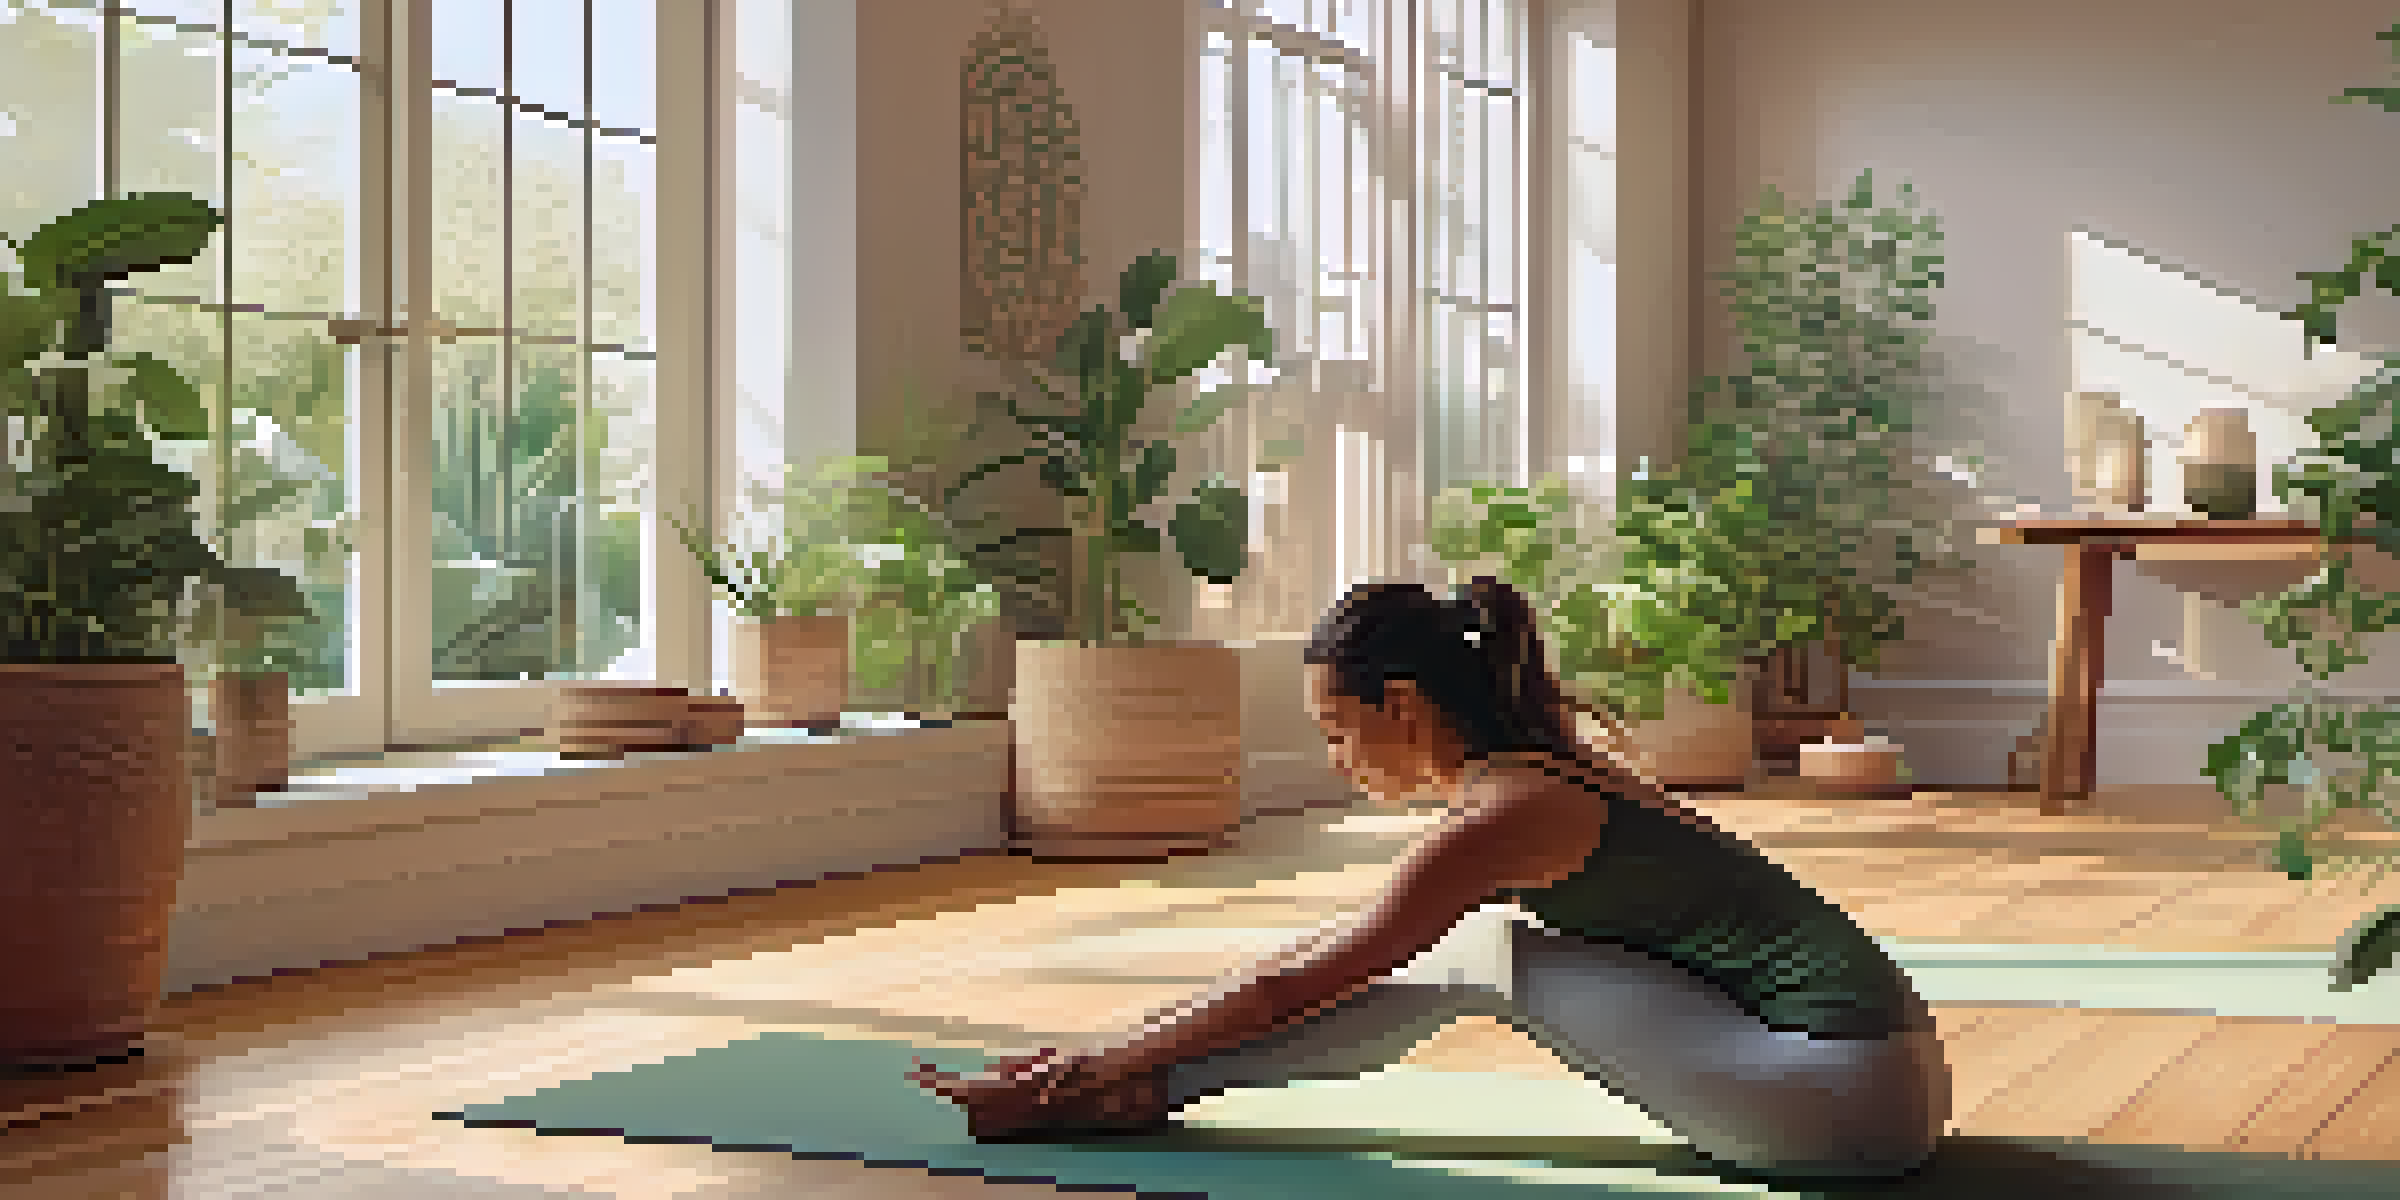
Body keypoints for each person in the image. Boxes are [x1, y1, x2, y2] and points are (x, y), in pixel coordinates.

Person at [909, 577, 1951, 1180]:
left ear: (1400, 705)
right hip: (1872, 1088)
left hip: (1841, 1101)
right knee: (1488, 947)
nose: (1332, 758)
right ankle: (1143, 1086)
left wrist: (1091, 1069)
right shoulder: (1544, 778)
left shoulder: (1507, 814)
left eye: (1335, 729)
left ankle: (1137, 1096)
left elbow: (1298, 985)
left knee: (1491, 950)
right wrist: (1103, 1052)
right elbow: (1305, 961)